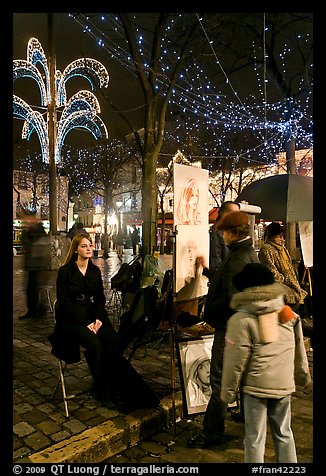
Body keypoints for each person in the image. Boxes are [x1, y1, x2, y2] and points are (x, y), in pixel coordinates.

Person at [49, 234, 159, 411]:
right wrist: (86, 323)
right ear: (76, 249)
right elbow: (65, 303)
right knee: (95, 344)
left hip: (94, 315)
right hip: (72, 319)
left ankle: (116, 385)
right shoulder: (66, 271)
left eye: (89, 245)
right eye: (84, 246)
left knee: (113, 341)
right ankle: (101, 389)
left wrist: (98, 320)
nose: (88, 248)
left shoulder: (94, 271)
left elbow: (100, 299)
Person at [221, 263, 311, 463]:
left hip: (256, 389)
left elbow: (235, 361)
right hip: (283, 385)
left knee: (254, 437)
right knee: (284, 433)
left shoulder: (240, 320)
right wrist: (303, 376)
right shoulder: (287, 313)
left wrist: (227, 392)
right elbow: (298, 349)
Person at [187, 211, 259, 448]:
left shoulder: (239, 258)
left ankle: (212, 433)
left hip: (230, 328)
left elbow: (230, 295)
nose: (222, 238)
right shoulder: (245, 252)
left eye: (223, 233)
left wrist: (210, 315)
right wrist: (207, 271)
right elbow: (226, 279)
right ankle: (248, 415)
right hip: (242, 326)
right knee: (243, 374)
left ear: (230, 233)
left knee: (220, 380)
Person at [258, 222, 307, 311]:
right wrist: (282, 279)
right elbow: (271, 270)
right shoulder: (267, 249)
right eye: (279, 236)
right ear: (272, 236)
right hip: (280, 287)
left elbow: (289, 266)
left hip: (291, 285)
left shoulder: (282, 249)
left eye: (282, 236)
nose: (282, 239)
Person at [19, 214, 50, 320]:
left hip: (39, 264)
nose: (26, 221)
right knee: (30, 289)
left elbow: (36, 244)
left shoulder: (38, 230)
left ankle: (40, 311)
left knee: (38, 288)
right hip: (30, 264)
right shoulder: (28, 230)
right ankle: (32, 310)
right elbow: (24, 242)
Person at [206, 201, 240, 274]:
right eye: (230, 212)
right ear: (220, 212)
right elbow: (215, 263)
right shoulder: (215, 234)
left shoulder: (234, 233)